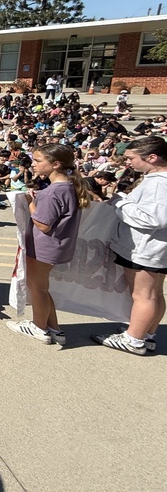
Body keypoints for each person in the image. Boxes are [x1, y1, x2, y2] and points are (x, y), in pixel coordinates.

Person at [6, 143, 89, 345]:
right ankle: (54, 327)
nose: (33, 164)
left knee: (38, 288)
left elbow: (43, 225)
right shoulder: (67, 187)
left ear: (55, 164)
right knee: (41, 287)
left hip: (44, 246)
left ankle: (39, 327)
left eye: (38, 160)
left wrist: (31, 202)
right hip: (55, 246)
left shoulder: (54, 192)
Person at [93, 136, 167, 355]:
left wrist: (120, 202)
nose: (128, 163)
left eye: (131, 158)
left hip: (146, 247)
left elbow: (154, 219)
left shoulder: (159, 184)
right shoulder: (157, 179)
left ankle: (133, 339)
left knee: (143, 295)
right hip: (154, 247)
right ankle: (146, 333)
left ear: (152, 158)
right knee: (154, 293)